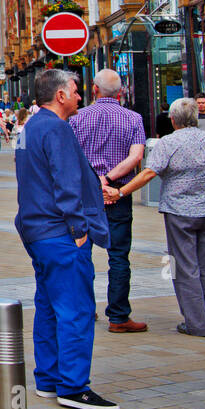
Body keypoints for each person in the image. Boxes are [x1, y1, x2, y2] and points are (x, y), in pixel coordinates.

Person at [15, 68, 118, 409]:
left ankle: (48, 378)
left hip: (36, 229)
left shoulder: (31, 126)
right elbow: (64, 182)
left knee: (48, 305)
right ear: (60, 95)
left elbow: (41, 175)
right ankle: (74, 387)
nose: (79, 96)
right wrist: (79, 230)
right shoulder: (57, 128)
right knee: (76, 310)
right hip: (59, 232)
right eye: (75, 91)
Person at [112, 98, 205, 337]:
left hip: (180, 212)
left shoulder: (168, 142)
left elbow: (149, 173)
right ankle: (203, 317)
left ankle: (196, 323)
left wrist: (121, 192)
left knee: (184, 266)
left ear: (172, 120)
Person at [69, 69, 149, 334]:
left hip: (84, 194)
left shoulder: (77, 117)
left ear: (94, 90)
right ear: (121, 92)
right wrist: (109, 178)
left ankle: (84, 309)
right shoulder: (134, 118)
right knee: (119, 257)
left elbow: (70, 155)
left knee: (82, 253)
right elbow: (136, 156)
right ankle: (118, 316)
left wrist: (95, 180)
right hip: (117, 194)